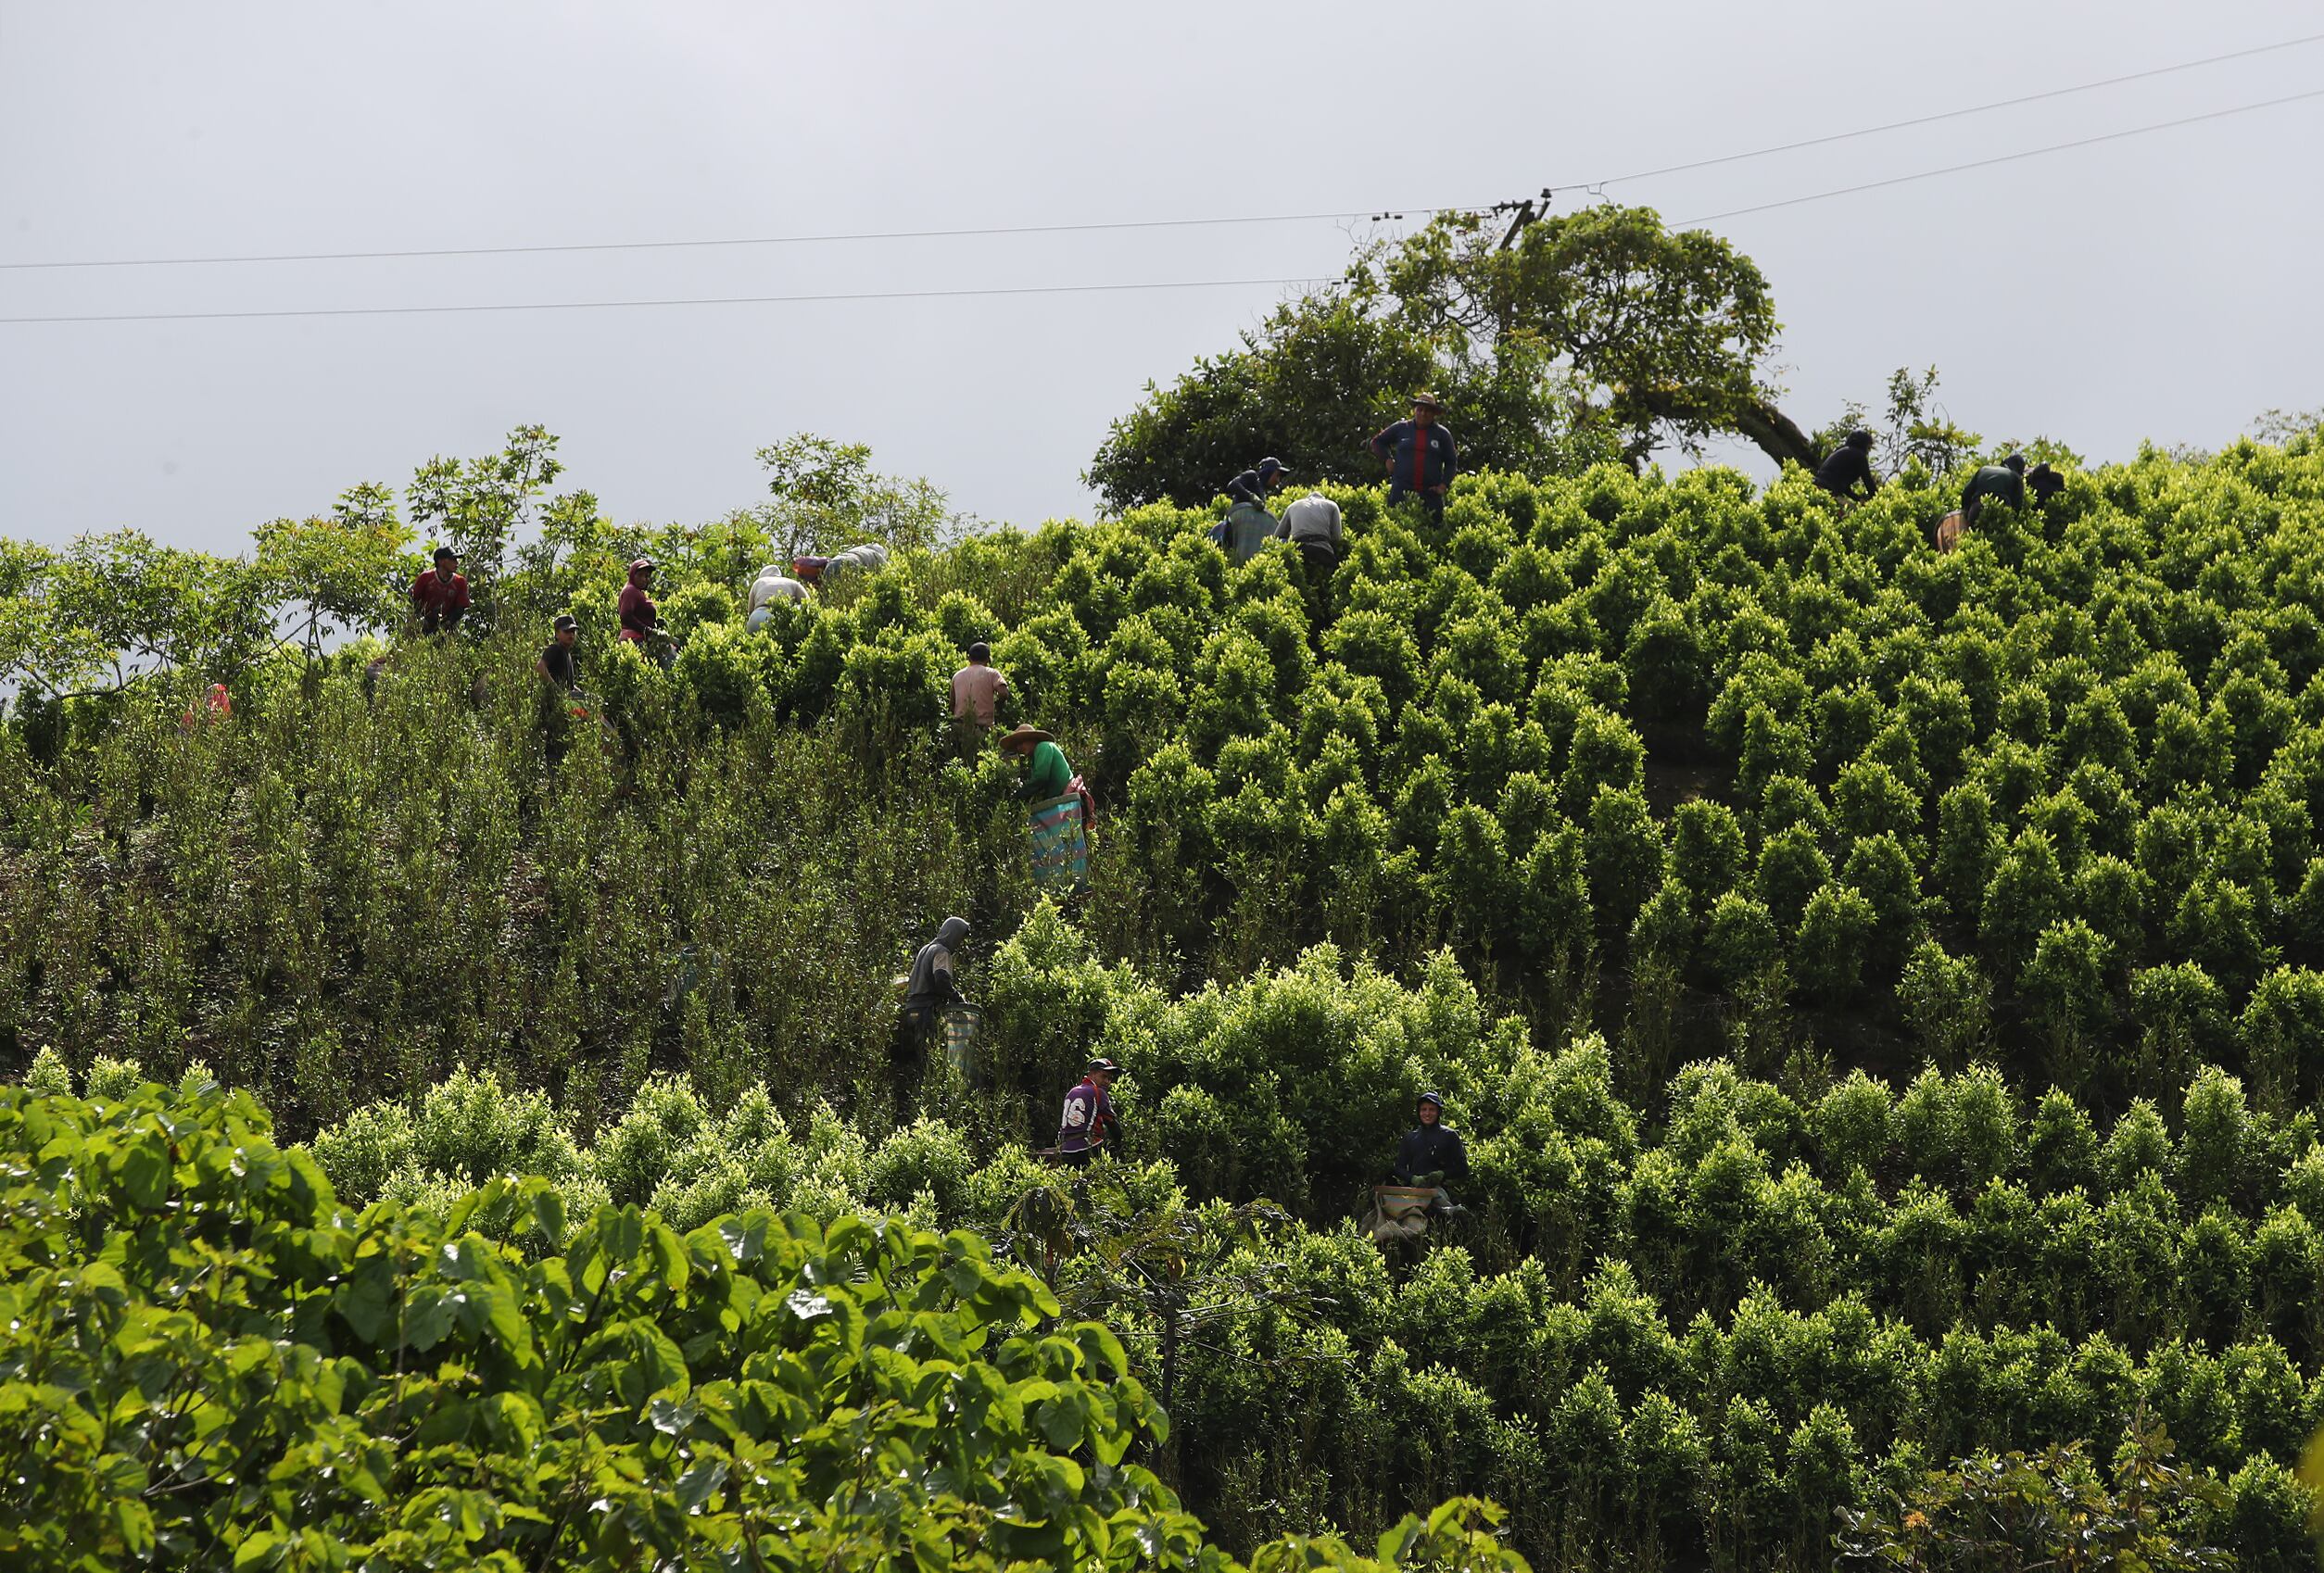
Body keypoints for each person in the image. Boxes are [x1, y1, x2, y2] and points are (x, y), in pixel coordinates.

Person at [896, 916, 970, 1111]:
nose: (959, 943)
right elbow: (941, 979)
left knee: (912, 1059)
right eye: (960, 938)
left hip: (911, 1010)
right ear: (954, 934)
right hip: (926, 1012)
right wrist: (957, 998)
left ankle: (907, 1101)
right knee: (927, 1060)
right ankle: (926, 1105)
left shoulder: (925, 950)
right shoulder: (942, 952)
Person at [1370, 393, 1458, 520]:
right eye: (1420, 409)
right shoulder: (1401, 428)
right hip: (1401, 493)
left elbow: (1451, 463)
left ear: (1434, 414)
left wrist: (1443, 486)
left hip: (1430, 496)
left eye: (1427, 411)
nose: (1423, 413)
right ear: (1414, 410)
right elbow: (1377, 442)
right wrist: (1387, 459)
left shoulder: (1442, 434)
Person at [1393, 1092, 1469, 1210]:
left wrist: (1442, 1174)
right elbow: (1398, 1168)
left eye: (1432, 1109)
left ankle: (1450, 1212)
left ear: (1438, 1112)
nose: (1427, 1113)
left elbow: (1463, 1168)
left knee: (1444, 1208)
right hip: (1413, 1190)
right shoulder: (1410, 1137)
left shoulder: (1449, 1135)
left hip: (1439, 1190)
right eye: (1424, 1109)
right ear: (1419, 1112)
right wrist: (1413, 1178)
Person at [1057, 1058, 1125, 1166]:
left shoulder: (1072, 1091)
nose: (1107, 1081)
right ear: (1092, 1074)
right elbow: (1112, 1124)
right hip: (1086, 1148)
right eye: (1104, 1076)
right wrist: (1120, 1143)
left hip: (1065, 1148)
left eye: (1110, 1078)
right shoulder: (1098, 1092)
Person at [618, 558, 674, 669]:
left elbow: (640, 614)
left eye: (647, 576)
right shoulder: (630, 591)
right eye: (642, 575)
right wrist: (647, 630)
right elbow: (625, 615)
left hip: (641, 640)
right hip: (635, 641)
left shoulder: (637, 592)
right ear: (633, 575)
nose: (645, 579)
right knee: (670, 662)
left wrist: (655, 623)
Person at [997, 724, 1073, 802]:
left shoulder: (1043, 747)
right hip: (1059, 798)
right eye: (1017, 745)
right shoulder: (1035, 757)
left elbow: (1040, 777)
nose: (1019, 748)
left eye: (1021, 743)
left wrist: (1020, 794)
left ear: (1032, 739)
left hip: (1068, 796)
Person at [1274, 491, 1345, 573]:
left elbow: (1277, 536)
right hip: (1323, 551)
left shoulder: (1293, 506)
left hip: (1299, 551)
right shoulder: (1332, 505)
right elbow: (1337, 538)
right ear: (1323, 498)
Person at [410, 547, 471, 635]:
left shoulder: (460, 582)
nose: (457, 563)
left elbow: (460, 609)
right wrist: (419, 620)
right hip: (422, 625)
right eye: (453, 559)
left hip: (446, 629)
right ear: (441, 561)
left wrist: (445, 625)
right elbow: (412, 599)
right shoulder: (426, 577)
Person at [952, 642, 1010, 730]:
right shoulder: (992, 673)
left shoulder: (957, 676)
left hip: (959, 726)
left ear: (968, 658)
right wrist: (998, 705)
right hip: (982, 728)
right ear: (988, 659)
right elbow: (1003, 693)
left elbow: (952, 704)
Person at [1960, 453, 2028, 528]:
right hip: (2001, 512)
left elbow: (1966, 494)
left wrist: (1966, 513)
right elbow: (2017, 506)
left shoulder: (1983, 469)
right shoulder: (2015, 476)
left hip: (1977, 509)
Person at [1813, 430, 1879, 502]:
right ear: (1864, 444)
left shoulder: (1841, 451)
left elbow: (1844, 487)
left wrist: (1858, 499)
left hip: (1817, 484)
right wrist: (1878, 500)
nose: (1868, 451)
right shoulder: (1860, 456)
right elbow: (1868, 482)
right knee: (1850, 511)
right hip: (1829, 489)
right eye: (1868, 447)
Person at [537, 614, 582, 695]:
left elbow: (569, 686)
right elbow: (540, 667)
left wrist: (580, 694)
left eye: (573, 631)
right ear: (557, 634)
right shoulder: (555, 649)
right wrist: (557, 691)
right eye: (566, 631)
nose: (571, 635)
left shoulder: (567, 653)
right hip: (552, 704)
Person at [1225, 457, 1290, 507]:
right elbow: (1232, 484)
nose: (1278, 480)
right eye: (1277, 475)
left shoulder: (1263, 493)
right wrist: (1251, 496)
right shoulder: (1252, 476)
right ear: (1268, 472)